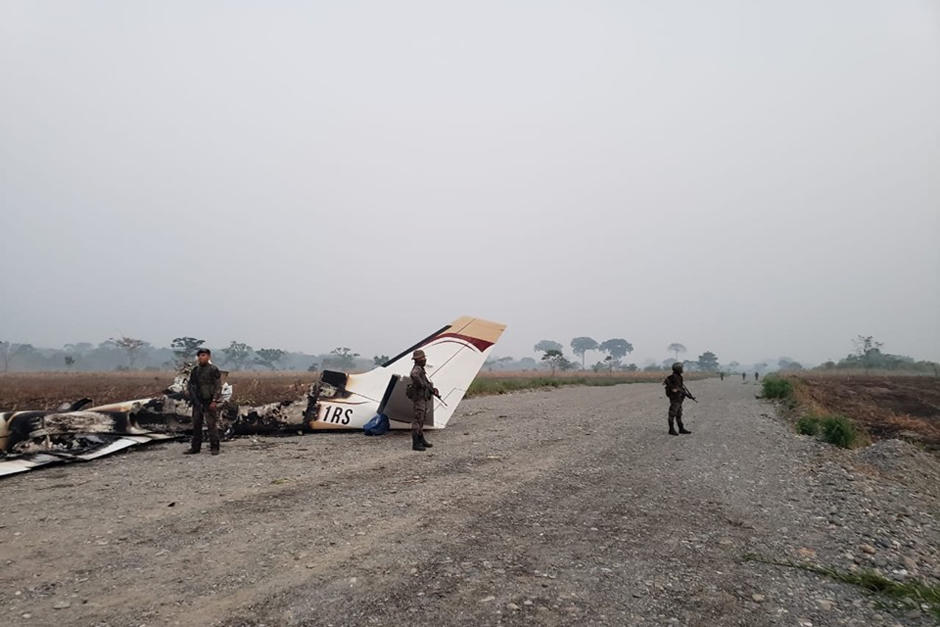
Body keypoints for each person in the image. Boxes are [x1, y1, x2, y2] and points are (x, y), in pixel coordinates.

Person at [185, 348, 222, 455]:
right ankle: (195, 447)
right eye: (199, 355)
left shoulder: (213, 369)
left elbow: (218, 386)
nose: (201, 357)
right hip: (198, 401)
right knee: (196, 425)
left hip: (209, 401)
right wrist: (192, 397)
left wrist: (214, 401)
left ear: (209, 357)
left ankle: (215, 447)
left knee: (211, 425)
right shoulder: (195, 370)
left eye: (203, 355)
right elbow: (191, 385)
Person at [408, 349, 438, 451]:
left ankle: (421, 439)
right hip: (419, 398)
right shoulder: (417, 368)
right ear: (418, 360)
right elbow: (414, 375)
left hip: (422, 398)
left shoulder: (421, 369)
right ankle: (416, 443)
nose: (425, 359)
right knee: (418, 419)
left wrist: (432, 389)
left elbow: (425, 382)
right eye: (422, 358)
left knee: (421, 419)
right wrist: (422, 384)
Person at [663, 362, 691, 436]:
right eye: (681, 368)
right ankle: (671, 429)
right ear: (678, 369)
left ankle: (681, 428)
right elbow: (675, 388)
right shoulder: (674, 377)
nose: (682, 369)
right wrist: (681, 392)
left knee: (679, 413)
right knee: (672, 413)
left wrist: (685, 394)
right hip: (675, 398)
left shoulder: (678, 376)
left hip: (679, 398)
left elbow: (680, 387)